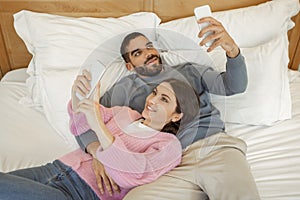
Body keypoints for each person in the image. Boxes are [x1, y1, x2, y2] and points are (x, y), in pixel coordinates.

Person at [73, 17, 261, 199]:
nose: (148, 53)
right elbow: (85, 115)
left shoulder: (189, 71)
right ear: (129, 66)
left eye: (149, 47)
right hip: (168, 165)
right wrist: (96, 151)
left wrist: (232, 51)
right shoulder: (124, 89)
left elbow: (233, 86)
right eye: (137, 53)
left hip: (213, 148)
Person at [0, 79, 201, 200]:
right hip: (54, 168)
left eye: (164, 99)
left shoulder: (168, 146)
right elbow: (80, 122)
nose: (152, 100)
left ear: (177, 116)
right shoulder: (125, 113)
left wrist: (99, 127)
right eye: (155, 93)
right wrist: (78, 96)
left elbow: (133, 173)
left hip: (79, 194)